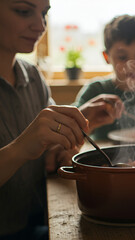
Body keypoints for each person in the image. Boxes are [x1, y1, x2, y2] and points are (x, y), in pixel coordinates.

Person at [0, 0, 124, 238]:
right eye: (24, 11)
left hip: (40, 224)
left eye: (44, 13)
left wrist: (82, 120)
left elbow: (49, 160)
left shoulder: (33, 78)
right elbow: (28, 145)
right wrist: (22, 147)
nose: (40, 25)